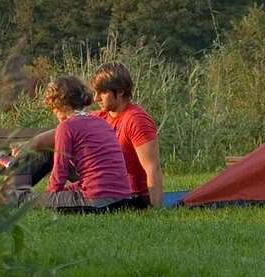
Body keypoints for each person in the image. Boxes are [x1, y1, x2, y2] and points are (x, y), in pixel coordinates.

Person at [15, 62, 163, 208]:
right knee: (48, 151)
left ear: (120, 91)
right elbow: (52, 137)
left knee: (42, 192)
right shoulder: (100, 118)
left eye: (102, 92)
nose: (97, 97)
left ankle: (13, 196)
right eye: (96, 92)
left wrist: (155, 207)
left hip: (131, 195)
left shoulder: (136, 120)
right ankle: (11, 190)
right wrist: (27, 145)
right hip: (109, 189)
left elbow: (152, 167)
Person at [2, 76, 133, 213]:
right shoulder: (100, 121)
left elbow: (60, 173)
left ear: (61, 105)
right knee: (64, 192)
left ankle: (10, 192)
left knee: (22, 199)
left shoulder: (66, 127)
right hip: (121, 197)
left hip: (96, 200)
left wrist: (50, 197)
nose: (54, 113)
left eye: (53, 109)